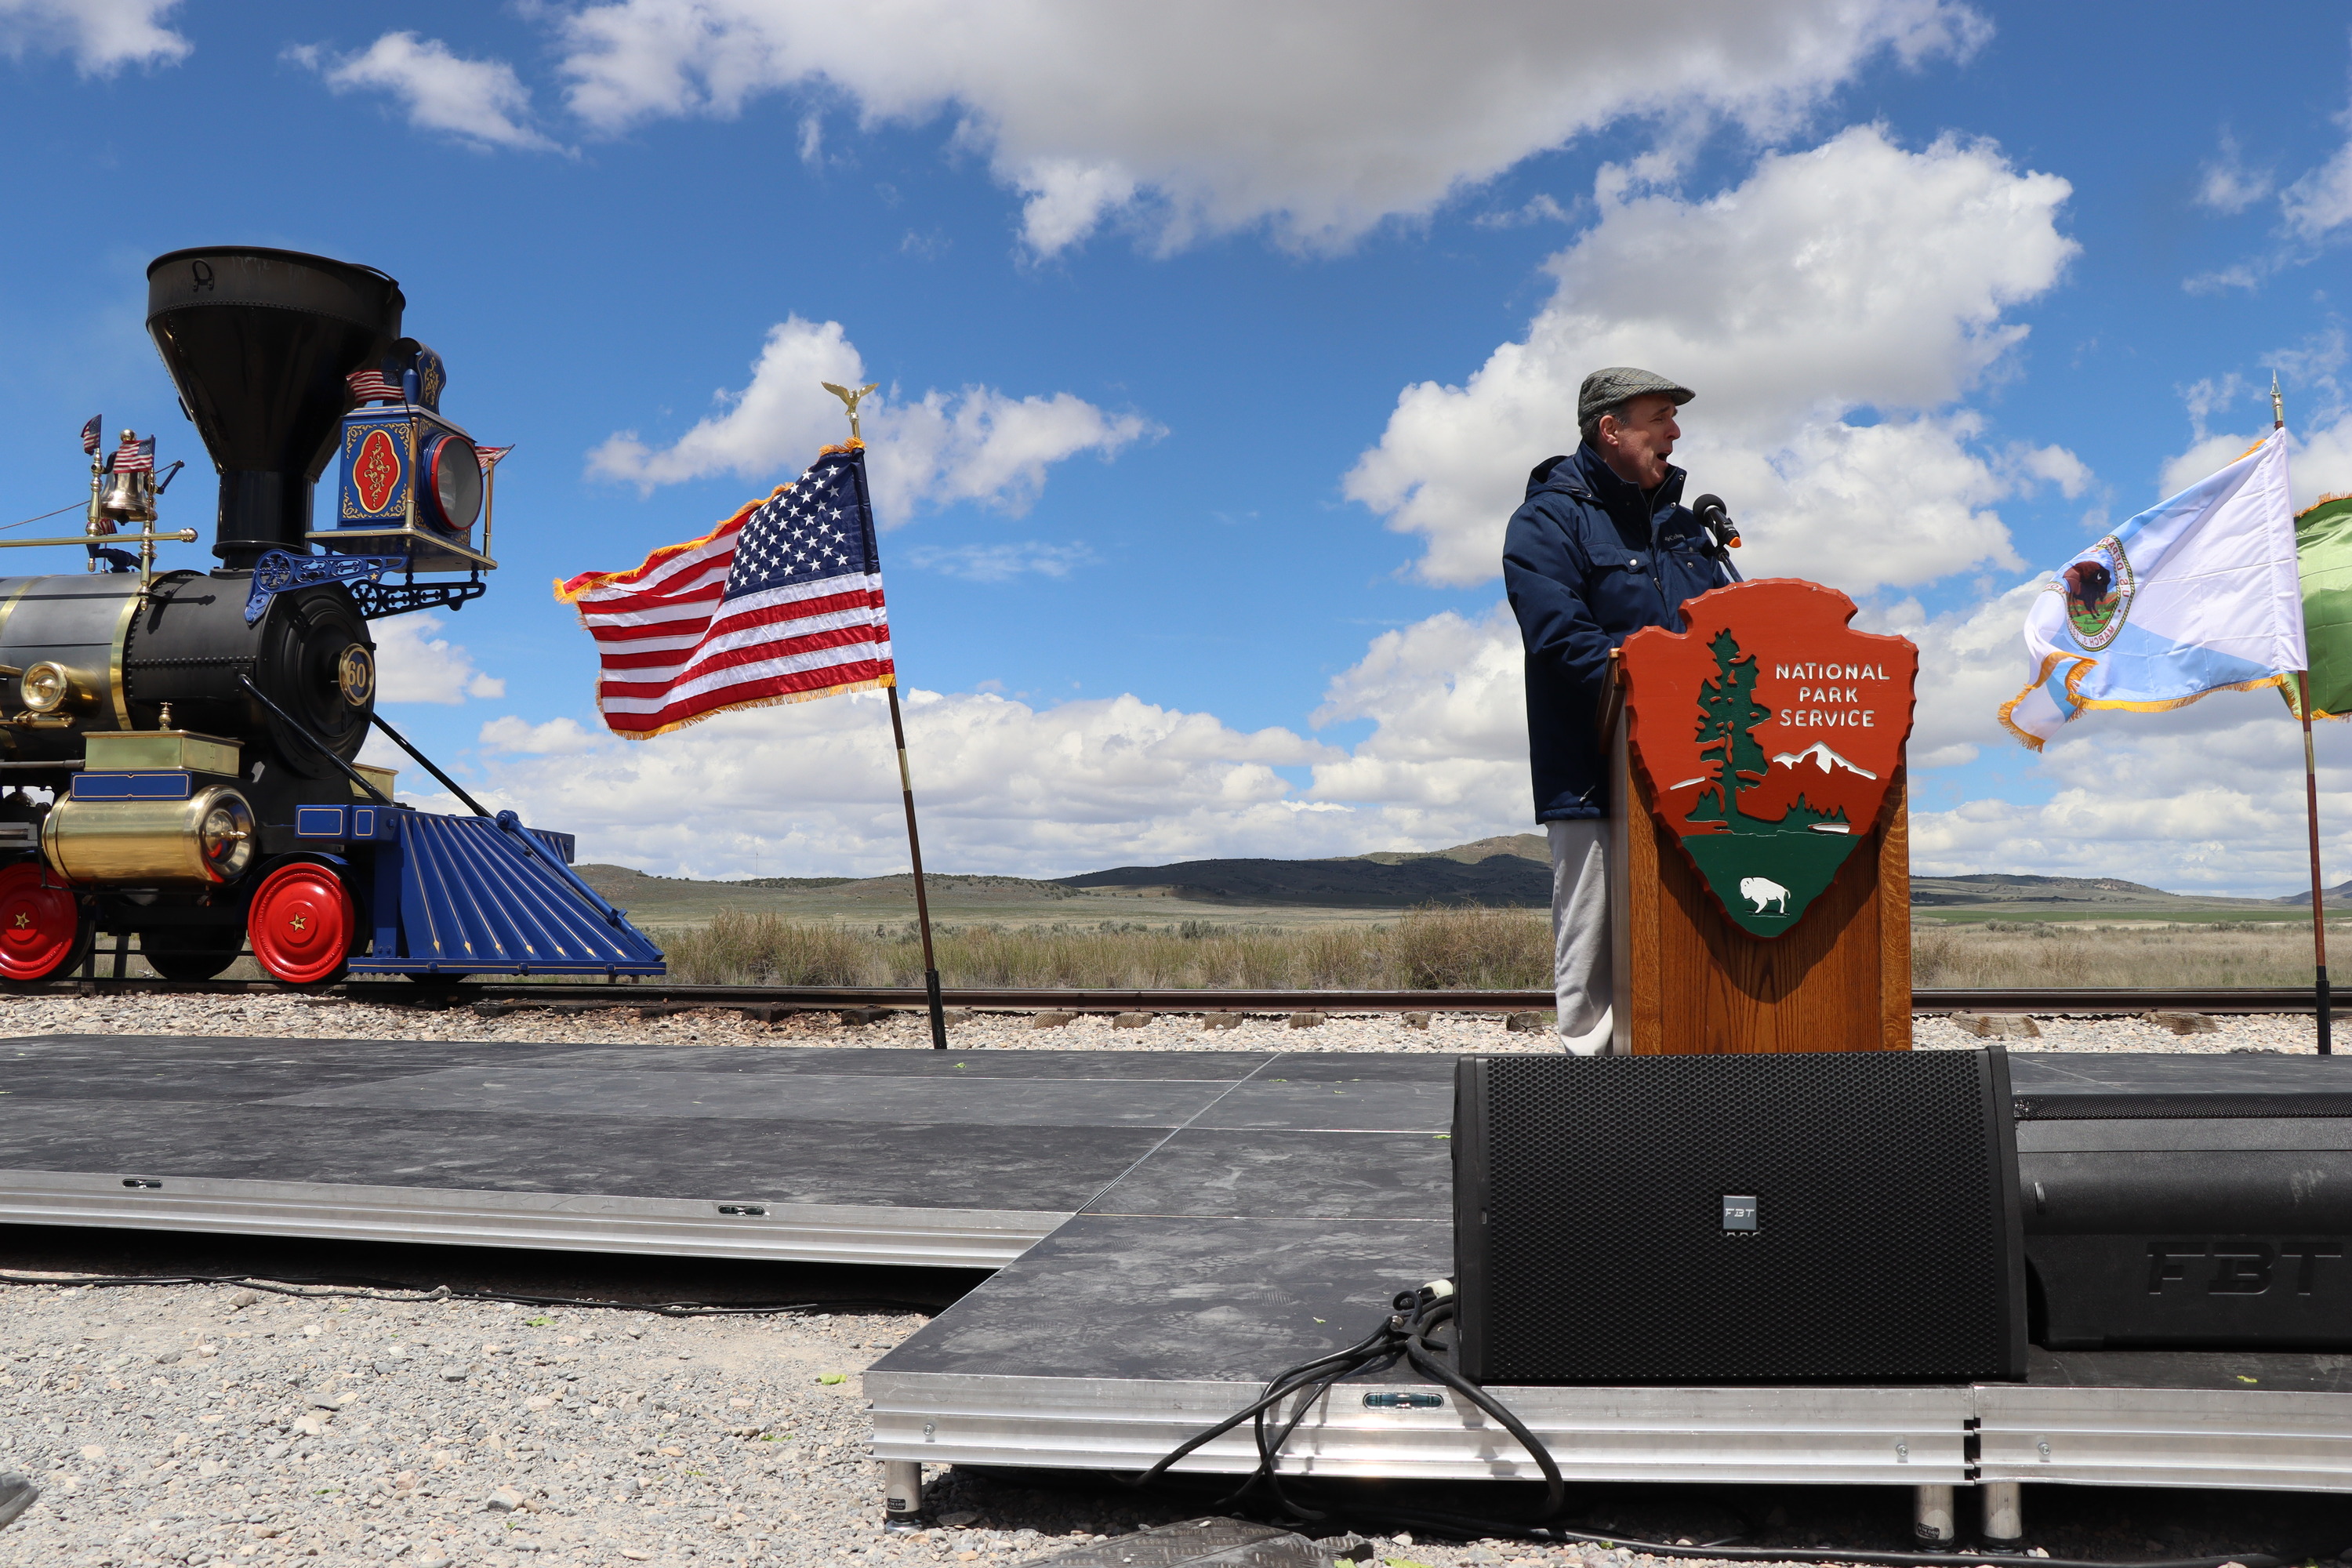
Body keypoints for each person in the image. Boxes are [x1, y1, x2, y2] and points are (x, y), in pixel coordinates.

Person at [1502, 367, 1735, 1053]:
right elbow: (1560, 639)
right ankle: (1588, 1107)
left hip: (1701, 781)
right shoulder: (1547, 519)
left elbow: (1730, 639)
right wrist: (1662, 675)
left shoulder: (1688, 529)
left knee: (1701, 948)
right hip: (1594, 779)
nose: (1676, 431)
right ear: (1611, 429)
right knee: (1595, 969)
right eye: (1660, 416)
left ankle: (1687, 1100)